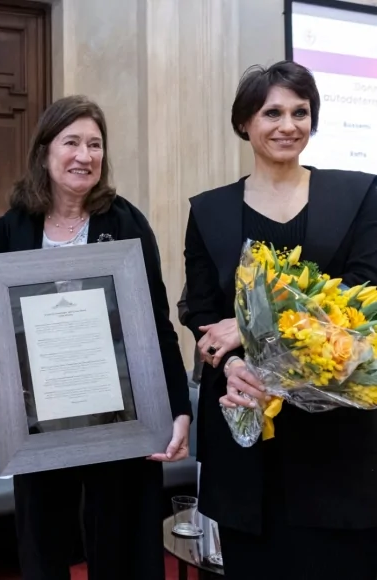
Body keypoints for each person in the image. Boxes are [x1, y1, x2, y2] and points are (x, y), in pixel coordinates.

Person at [0, 95, 192, 580]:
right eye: (71, 142)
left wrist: (176, 409)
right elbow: (2, 332)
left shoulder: (126, 223)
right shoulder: (11, 228)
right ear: (45, 152)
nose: (84, 155)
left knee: (121, 545)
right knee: (44, 546)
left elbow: (156, 323)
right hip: (39, 421)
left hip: (120, 416)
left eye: (95, 144)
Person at [184, 60, 377, 579]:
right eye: (272, 112)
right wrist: (230, 362)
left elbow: (363, 301)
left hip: (338, 436)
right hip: (246, 426)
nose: (288, 125)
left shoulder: (359, 195)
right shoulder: (209, 211)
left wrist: (247, 331)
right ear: (246, 121)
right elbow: (202, 313)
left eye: (301, 112)